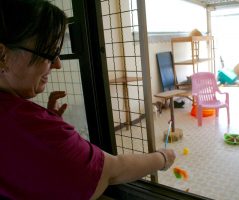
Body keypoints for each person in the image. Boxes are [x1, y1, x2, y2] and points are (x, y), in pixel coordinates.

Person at [0, 0, 176, 199]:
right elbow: (110, 171)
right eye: (49, 53)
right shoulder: (28, 125)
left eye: (57, 54)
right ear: (2, 54)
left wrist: (48, 125)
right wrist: (162, 158)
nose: (57, 64)